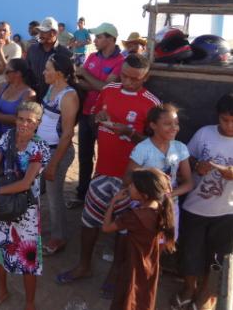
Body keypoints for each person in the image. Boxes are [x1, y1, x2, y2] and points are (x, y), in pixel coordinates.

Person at [57, 54, 160, 299]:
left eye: (134, 78)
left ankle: (115, 272)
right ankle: (84, 266)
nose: (127, 81)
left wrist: (131, 133)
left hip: (132, 180)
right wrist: (98, 119)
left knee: (124, 231)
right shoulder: (110, 90)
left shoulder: (152, 103)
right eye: (124, 75)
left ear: (146, 77)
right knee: (89, 221)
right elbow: (94, 117)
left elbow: (157, 144)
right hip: (102, 171)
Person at [0, 101, 51, 310]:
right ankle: (2, 291)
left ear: (37, 124)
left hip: (26, 209)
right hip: (4, 203)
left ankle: (29, 304)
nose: (23, 124)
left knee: (28, 258)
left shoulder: (40, 147)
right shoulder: (7, 137)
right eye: (20, 119)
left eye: (29, 120)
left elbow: (26, 183)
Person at [172, 93, 233, 310]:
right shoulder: (204, 133)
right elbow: (187, 158)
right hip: (195, 207)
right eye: (224, 120)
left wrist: (227, 171)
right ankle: (189, 287)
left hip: (227, 212)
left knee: (216, 256)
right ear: (218, 117)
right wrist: (197, 165)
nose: (229, 126)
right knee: (190, 251)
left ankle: (206, 292)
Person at [102, 168, 175, 310]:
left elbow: (106, 228)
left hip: (132, 265)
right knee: (142, 298)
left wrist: (113, 202)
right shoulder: (160, 208)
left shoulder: (134, 216)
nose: (129, 186)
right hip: (149, 264)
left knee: (127, 297)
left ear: (144, 195)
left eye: (133, 185)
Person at [70, 22, 124, 207]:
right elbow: (82, 82)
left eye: (99, 37)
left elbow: (106, 88)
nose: (94, 40)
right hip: (86, 113)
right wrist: (96, 84)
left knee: (105, 159)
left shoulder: (121, 61)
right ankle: (82, 194)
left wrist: (88, 76)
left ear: (110, 39)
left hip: (106, 118)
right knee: (85, 157)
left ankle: (101, 198)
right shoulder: (92, 56)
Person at [124, 104, 193, 237]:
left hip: (170, 207)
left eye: (176, 123)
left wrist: (168, 196)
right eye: (168, 123)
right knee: (140, 244)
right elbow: (127, 179)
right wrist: (148, 191)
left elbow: (189, 183)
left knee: (162, 244)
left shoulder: (180, 148)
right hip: (143, 206)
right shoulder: (143, 149)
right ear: (153, 125)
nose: (174, 128)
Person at [38, 54, 79, 255]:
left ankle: (59, 237)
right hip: (43, 149)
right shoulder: (52, 88)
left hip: (57, 152)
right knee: (41, 191)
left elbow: (68, 133)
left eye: (47, 69)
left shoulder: (69, 96)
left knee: (54, 197)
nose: (44, 72)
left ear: (59, 73)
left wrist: (53, 164)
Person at [0, 58, 36, 148]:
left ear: (18, 74)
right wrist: (6, 117)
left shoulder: (29, 94)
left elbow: (19, 120)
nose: (4, 73)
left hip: (14, 142)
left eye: (7, 71)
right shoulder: (0, 85)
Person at [26, 17, 72, 104]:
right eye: (40, 31)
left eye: (44, 32)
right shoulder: (32, 50)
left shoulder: (65, 54)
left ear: (54, 32)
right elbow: (27, 71)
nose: (40, 34)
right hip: (32, 98)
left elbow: (68, 79)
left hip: (54, 101)